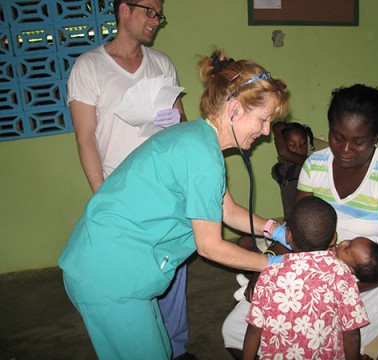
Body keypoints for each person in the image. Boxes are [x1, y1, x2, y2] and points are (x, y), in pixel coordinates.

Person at [58, 49, 289, 359]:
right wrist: (276, 266)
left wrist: (276, 231)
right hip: (110, 275)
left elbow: (227, 210)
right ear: (234, 110)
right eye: (263, 120)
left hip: (103, 264)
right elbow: (210, 247)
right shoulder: (203, 157)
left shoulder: (197, 138)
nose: (265, 132)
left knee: (162, 350)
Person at [222, 84, 378, 354]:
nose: (346, 149)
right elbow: (296, 233)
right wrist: (266, 268)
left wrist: (330, 288)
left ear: (375, 136)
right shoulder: (315, 166)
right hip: (305, 274)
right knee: (234, 331)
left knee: (316, 341)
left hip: (367, 284)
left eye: (359, 141)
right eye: (338, 137)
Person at [66, 0, 190, 358]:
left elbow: (180, 123)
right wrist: (101, 199)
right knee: (135, 275)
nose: (157, 21)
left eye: (159, 14)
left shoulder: (161, 63)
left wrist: (173, 121)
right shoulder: (89, 67)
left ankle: (175, 347)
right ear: (124, 9)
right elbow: (85, 138)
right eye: (150, 11)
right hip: (121, 193)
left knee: (171, 270)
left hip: (165, 187)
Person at [243, 196, 369, 359]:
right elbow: (351, 332)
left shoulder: (269, 276)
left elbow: (254, 331)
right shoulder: (342, 274)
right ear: (333, 238)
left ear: (288, 236)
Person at [271, 122, 314, 220]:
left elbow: (284, 153)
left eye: (303, 144)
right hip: (291, 220)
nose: (299, 148)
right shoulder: (278, 170)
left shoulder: (308, 163)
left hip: (308, 220)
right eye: (292, 145)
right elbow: (283, 155)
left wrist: (277, 132)